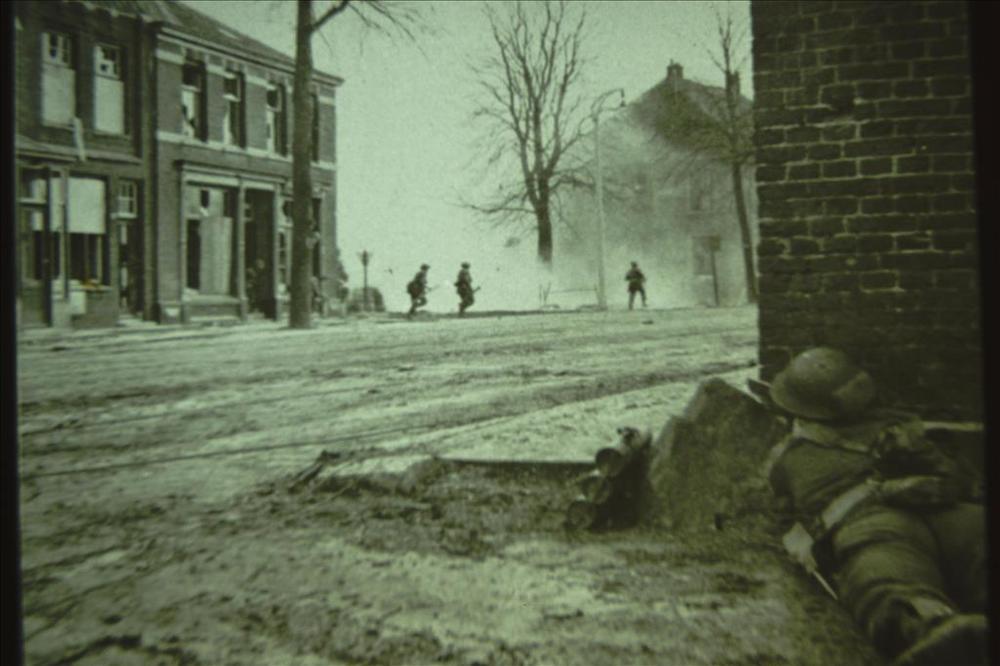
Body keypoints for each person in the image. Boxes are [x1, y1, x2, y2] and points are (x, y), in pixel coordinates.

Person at [762, 348, 987, 666]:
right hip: (871, 519)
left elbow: (962, 479)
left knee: (967, 538)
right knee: (884, 568)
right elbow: (785, 516)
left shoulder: (898, 427)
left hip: (927, 510)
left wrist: (930, 467)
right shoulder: (791, 456)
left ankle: (932, 621)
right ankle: (931, 625)